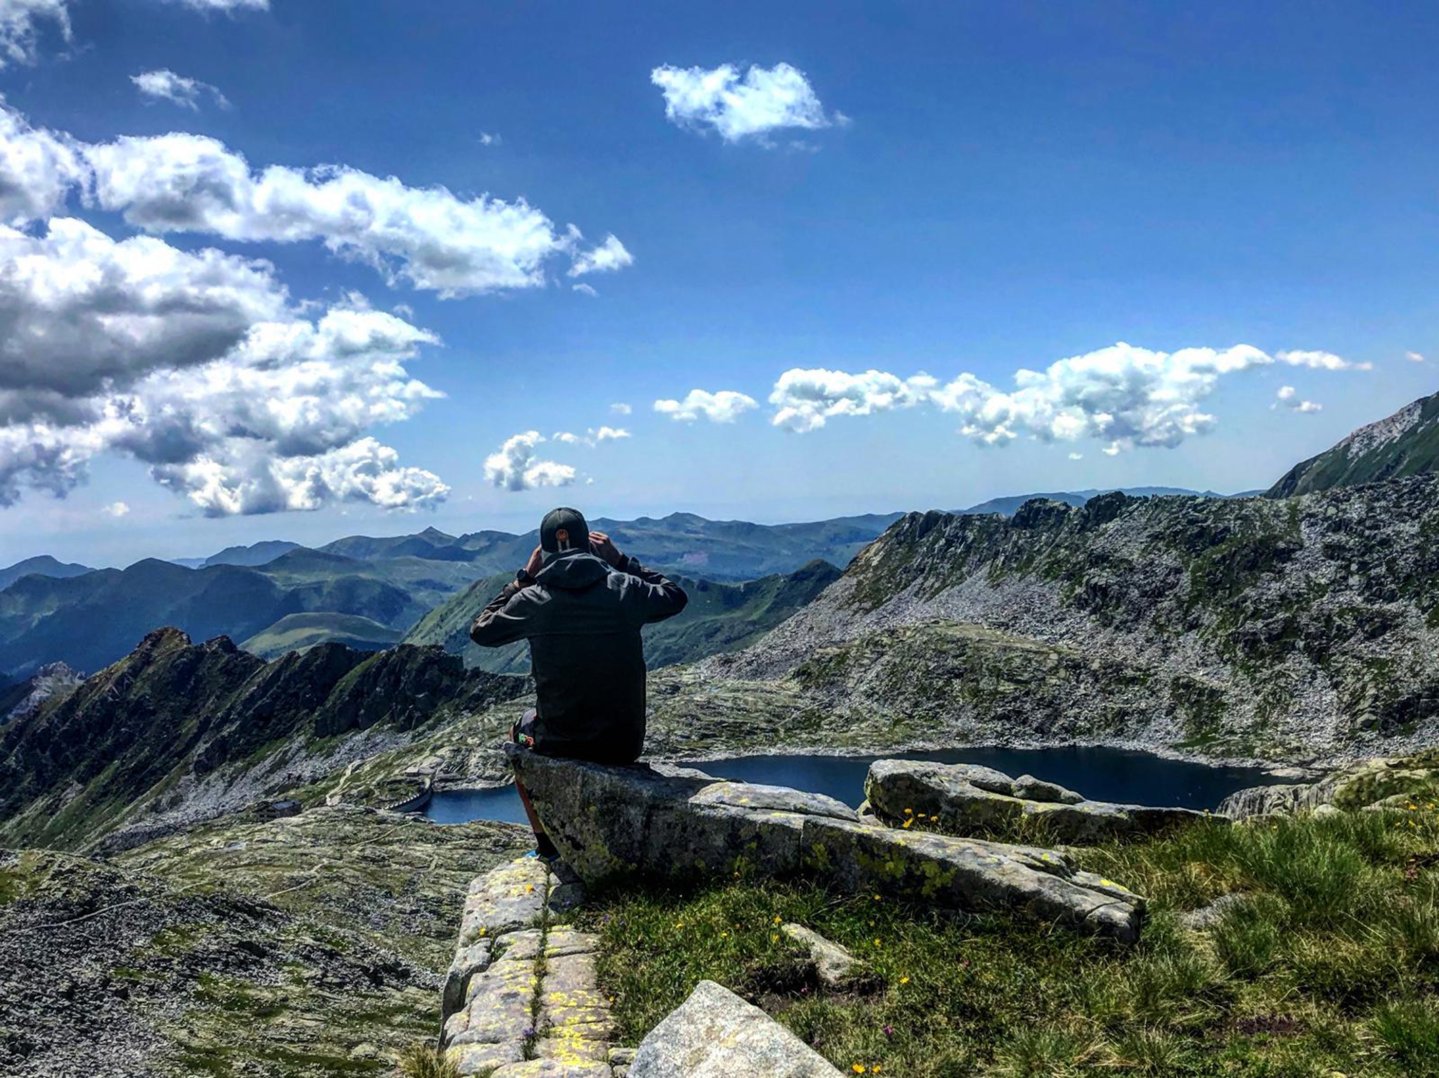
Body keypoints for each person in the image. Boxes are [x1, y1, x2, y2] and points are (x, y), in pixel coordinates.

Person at [470, 506, 688, 859]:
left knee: (517, 733)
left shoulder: (532, 600)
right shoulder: (625, 588)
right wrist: (621, 561)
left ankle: (546, 843)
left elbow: (481, 629)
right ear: (591, 546)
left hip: (559, 741)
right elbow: (675, 596)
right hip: (624, 744)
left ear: (544, 552)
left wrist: (523, 578)